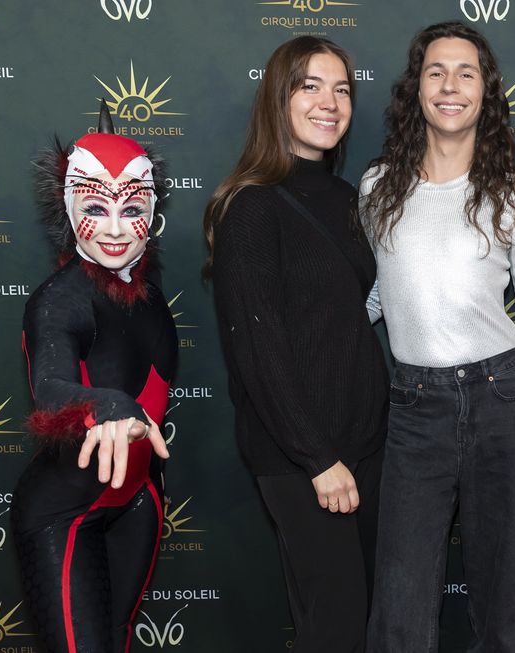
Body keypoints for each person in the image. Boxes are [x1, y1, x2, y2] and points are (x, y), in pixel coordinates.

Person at [360, 21, 515, 653]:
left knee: (501, 618)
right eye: (437, 71)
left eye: (466, 73)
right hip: (414, 409)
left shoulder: (512, 196)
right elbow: (381, 291)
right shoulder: (377, 189)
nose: (450, 85)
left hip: (505, 403)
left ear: (485, 92)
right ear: (416, 88)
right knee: (398, 617)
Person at [204, 36, 388, 653]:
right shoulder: (251, 207)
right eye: (310, 86)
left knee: (362, 621)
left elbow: (349, 319)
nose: (329, 102)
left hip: (366, 447)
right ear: (277, 98)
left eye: (342, 89)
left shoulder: (347, 200)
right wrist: (319, 459)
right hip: (303, 456)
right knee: (336, 627)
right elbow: (258, 351)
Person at [11, 102, 175, 653]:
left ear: (152, 211)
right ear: (68, 207)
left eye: (132, 208)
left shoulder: (152, 299)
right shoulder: (58, 301)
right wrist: (112, 405)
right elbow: (51, 389)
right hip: (63, 511)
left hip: (139, 500)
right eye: (95, 208)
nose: (114, 228)